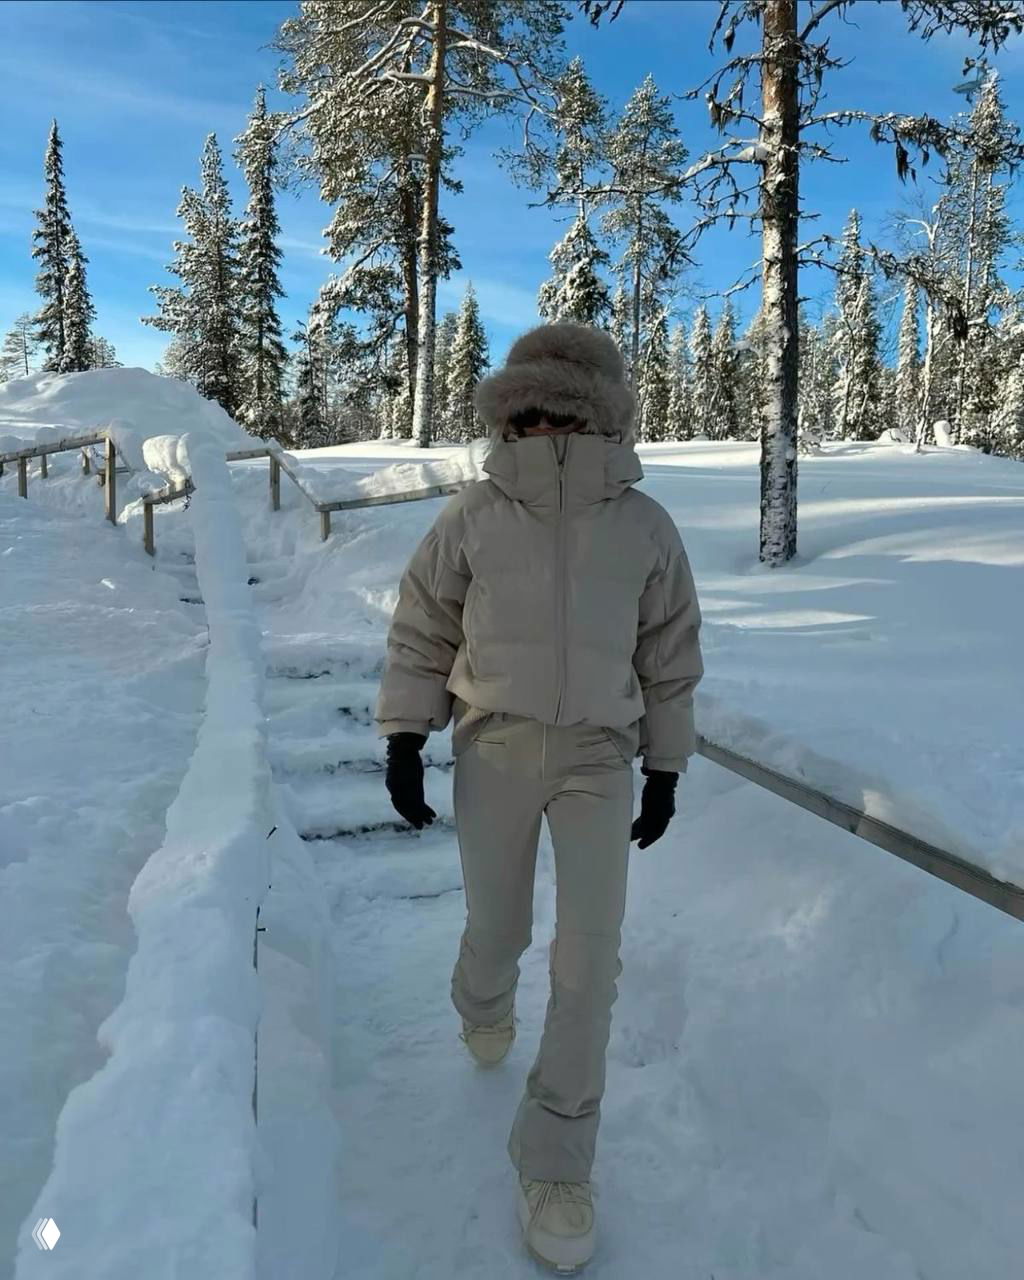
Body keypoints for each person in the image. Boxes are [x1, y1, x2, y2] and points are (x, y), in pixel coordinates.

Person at [374, 322, 704, 1274]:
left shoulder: (645, 525)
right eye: (526, 409)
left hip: (600, 756)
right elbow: (423, 627)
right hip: (497, 744)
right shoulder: (473, 516)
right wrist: (405, 734)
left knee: (589, 962)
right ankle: (480, 1001)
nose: (544, 425)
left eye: (563, 408)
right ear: (507, 413)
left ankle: (557, 1160)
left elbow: (669, 656)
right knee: (501, 928)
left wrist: (666, 767)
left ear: (598, 414)